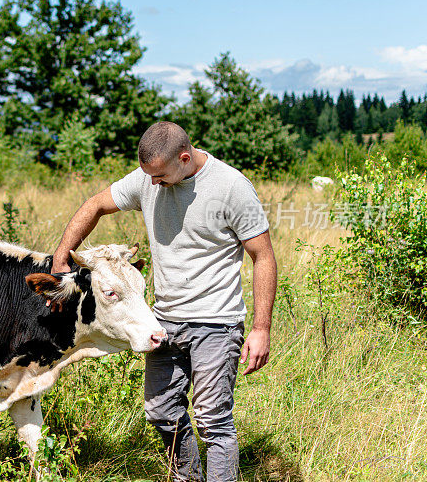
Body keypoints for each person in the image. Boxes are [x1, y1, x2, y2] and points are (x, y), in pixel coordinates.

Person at [51, 121, 277, 481]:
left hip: (216, 324)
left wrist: (261, 328)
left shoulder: (233, 188)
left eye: (160, 176)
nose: (153, 184)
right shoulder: (147, 178)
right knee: (161, 412)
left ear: (184, 158)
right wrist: (62, 256)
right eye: (148, 176)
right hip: (164, 321)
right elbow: (95, 205)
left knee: (212, 419)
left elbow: (263, 257)